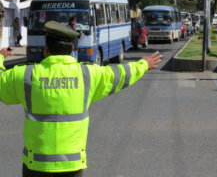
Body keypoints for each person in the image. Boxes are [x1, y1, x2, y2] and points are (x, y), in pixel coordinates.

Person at [0, 21, 162, 177]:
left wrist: (1, 58)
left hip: (36, 165)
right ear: (72, 50)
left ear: (46, 49)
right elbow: (121, 74)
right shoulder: (87, 75)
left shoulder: (25, 75)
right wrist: (143, 64)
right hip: (72, 165)